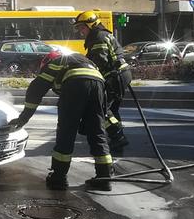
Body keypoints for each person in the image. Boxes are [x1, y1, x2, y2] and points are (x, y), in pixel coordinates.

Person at [9, 51, 113, 191]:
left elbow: (36, 90)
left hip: (75, 84)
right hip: (99, 85)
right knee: (97, 132)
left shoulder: (56, 63)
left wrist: (24, 117)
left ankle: (58, 178)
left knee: (66, 132)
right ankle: (104, 177)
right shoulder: (83, 60)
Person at [73, 10, 132, 150]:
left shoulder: (98, 37)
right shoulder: (100, 34)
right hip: (120, 75)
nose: (81, 31)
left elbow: (99, 61)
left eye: (82, 27)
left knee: (101, 108)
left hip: (115, 76)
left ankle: (118, 136)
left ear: (91, 25)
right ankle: (117, 138)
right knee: (112, 109)